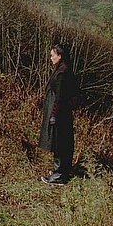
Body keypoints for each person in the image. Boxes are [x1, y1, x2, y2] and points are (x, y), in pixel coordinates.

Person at [39, 43, 79, 185]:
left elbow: (60, 97)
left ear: (60, 56)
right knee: (61, 142)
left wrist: (54, 115)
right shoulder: (62, 70)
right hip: (61, 112)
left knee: (60, 143)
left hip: (60, 113)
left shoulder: (63, 73)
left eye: (52, 55)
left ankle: (59, 176)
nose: (51, 58)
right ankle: (61, 172)